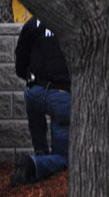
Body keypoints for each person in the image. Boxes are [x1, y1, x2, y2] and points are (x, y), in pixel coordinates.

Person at [10, 16, 71, 185]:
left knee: (41, 145)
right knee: (63, 158)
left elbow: (20, 60)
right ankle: (33, 163)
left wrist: (30, 78)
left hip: (34, 91)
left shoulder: (32, 23)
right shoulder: (70, 20)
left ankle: (36, 162)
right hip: (61, 93)